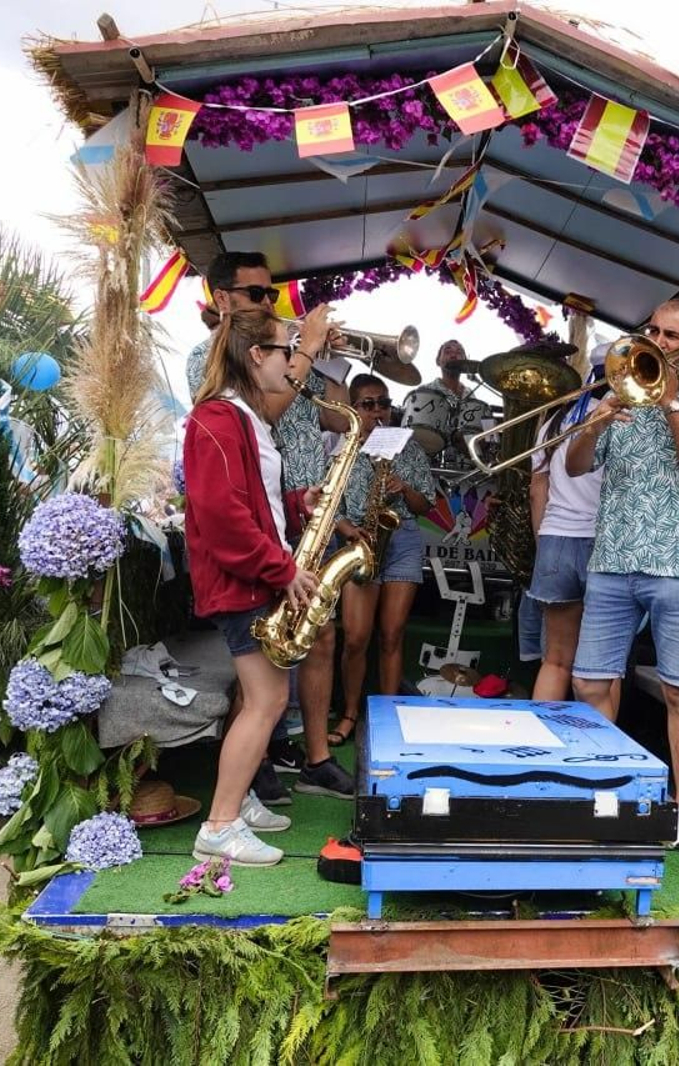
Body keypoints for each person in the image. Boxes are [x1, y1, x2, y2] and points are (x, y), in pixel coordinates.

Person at [184, 309, 349, 866]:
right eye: (286, 351)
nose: (293, 365)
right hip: (244, 582)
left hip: (251, 577)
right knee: (268, 699)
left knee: (263, 699)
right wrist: (281, 570)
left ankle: (240, 800)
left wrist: (298, 507)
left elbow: (248, 503)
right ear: (257, 356)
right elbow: (221, 514)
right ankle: (220, 824)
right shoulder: (219, 418)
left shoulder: (240, 419)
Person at [565, 299, 679, 850]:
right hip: (614, 557)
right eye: (653, 329)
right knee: (590, 681)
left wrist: (672, 403)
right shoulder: (620, 389)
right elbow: (575, 465)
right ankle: (607, 787)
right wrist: (594, 422)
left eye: (672, 334)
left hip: (676, 563)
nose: (657, 340)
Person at [333, 374, 437, 740]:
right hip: (360, 540)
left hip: (402, 537)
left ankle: (388, 720)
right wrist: (350, 532)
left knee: (392, 634)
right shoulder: (342, 449)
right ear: (353, 408)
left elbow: (425, 505)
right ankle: (349, 714)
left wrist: (403, 487)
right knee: (357, 637)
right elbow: (330, 507)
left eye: (384, 403)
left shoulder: (408, 447)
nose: (379, 411)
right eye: (368, 404)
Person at [527, 344, 608, 701]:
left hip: (554, 539)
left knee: (555, 660)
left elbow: (536, 490)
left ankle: (537, 749)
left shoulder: (552, 424)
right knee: (604, 665)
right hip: (601, 541)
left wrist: (543, 541)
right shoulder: (618, 420)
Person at [410, 339, 479, 470]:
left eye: (459, 352)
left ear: (465, 361)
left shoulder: (472, 394)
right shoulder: (425, 391)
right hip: (431, 468)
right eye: (448, 351)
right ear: (438, 361)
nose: (454, 355)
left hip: (466, 470)